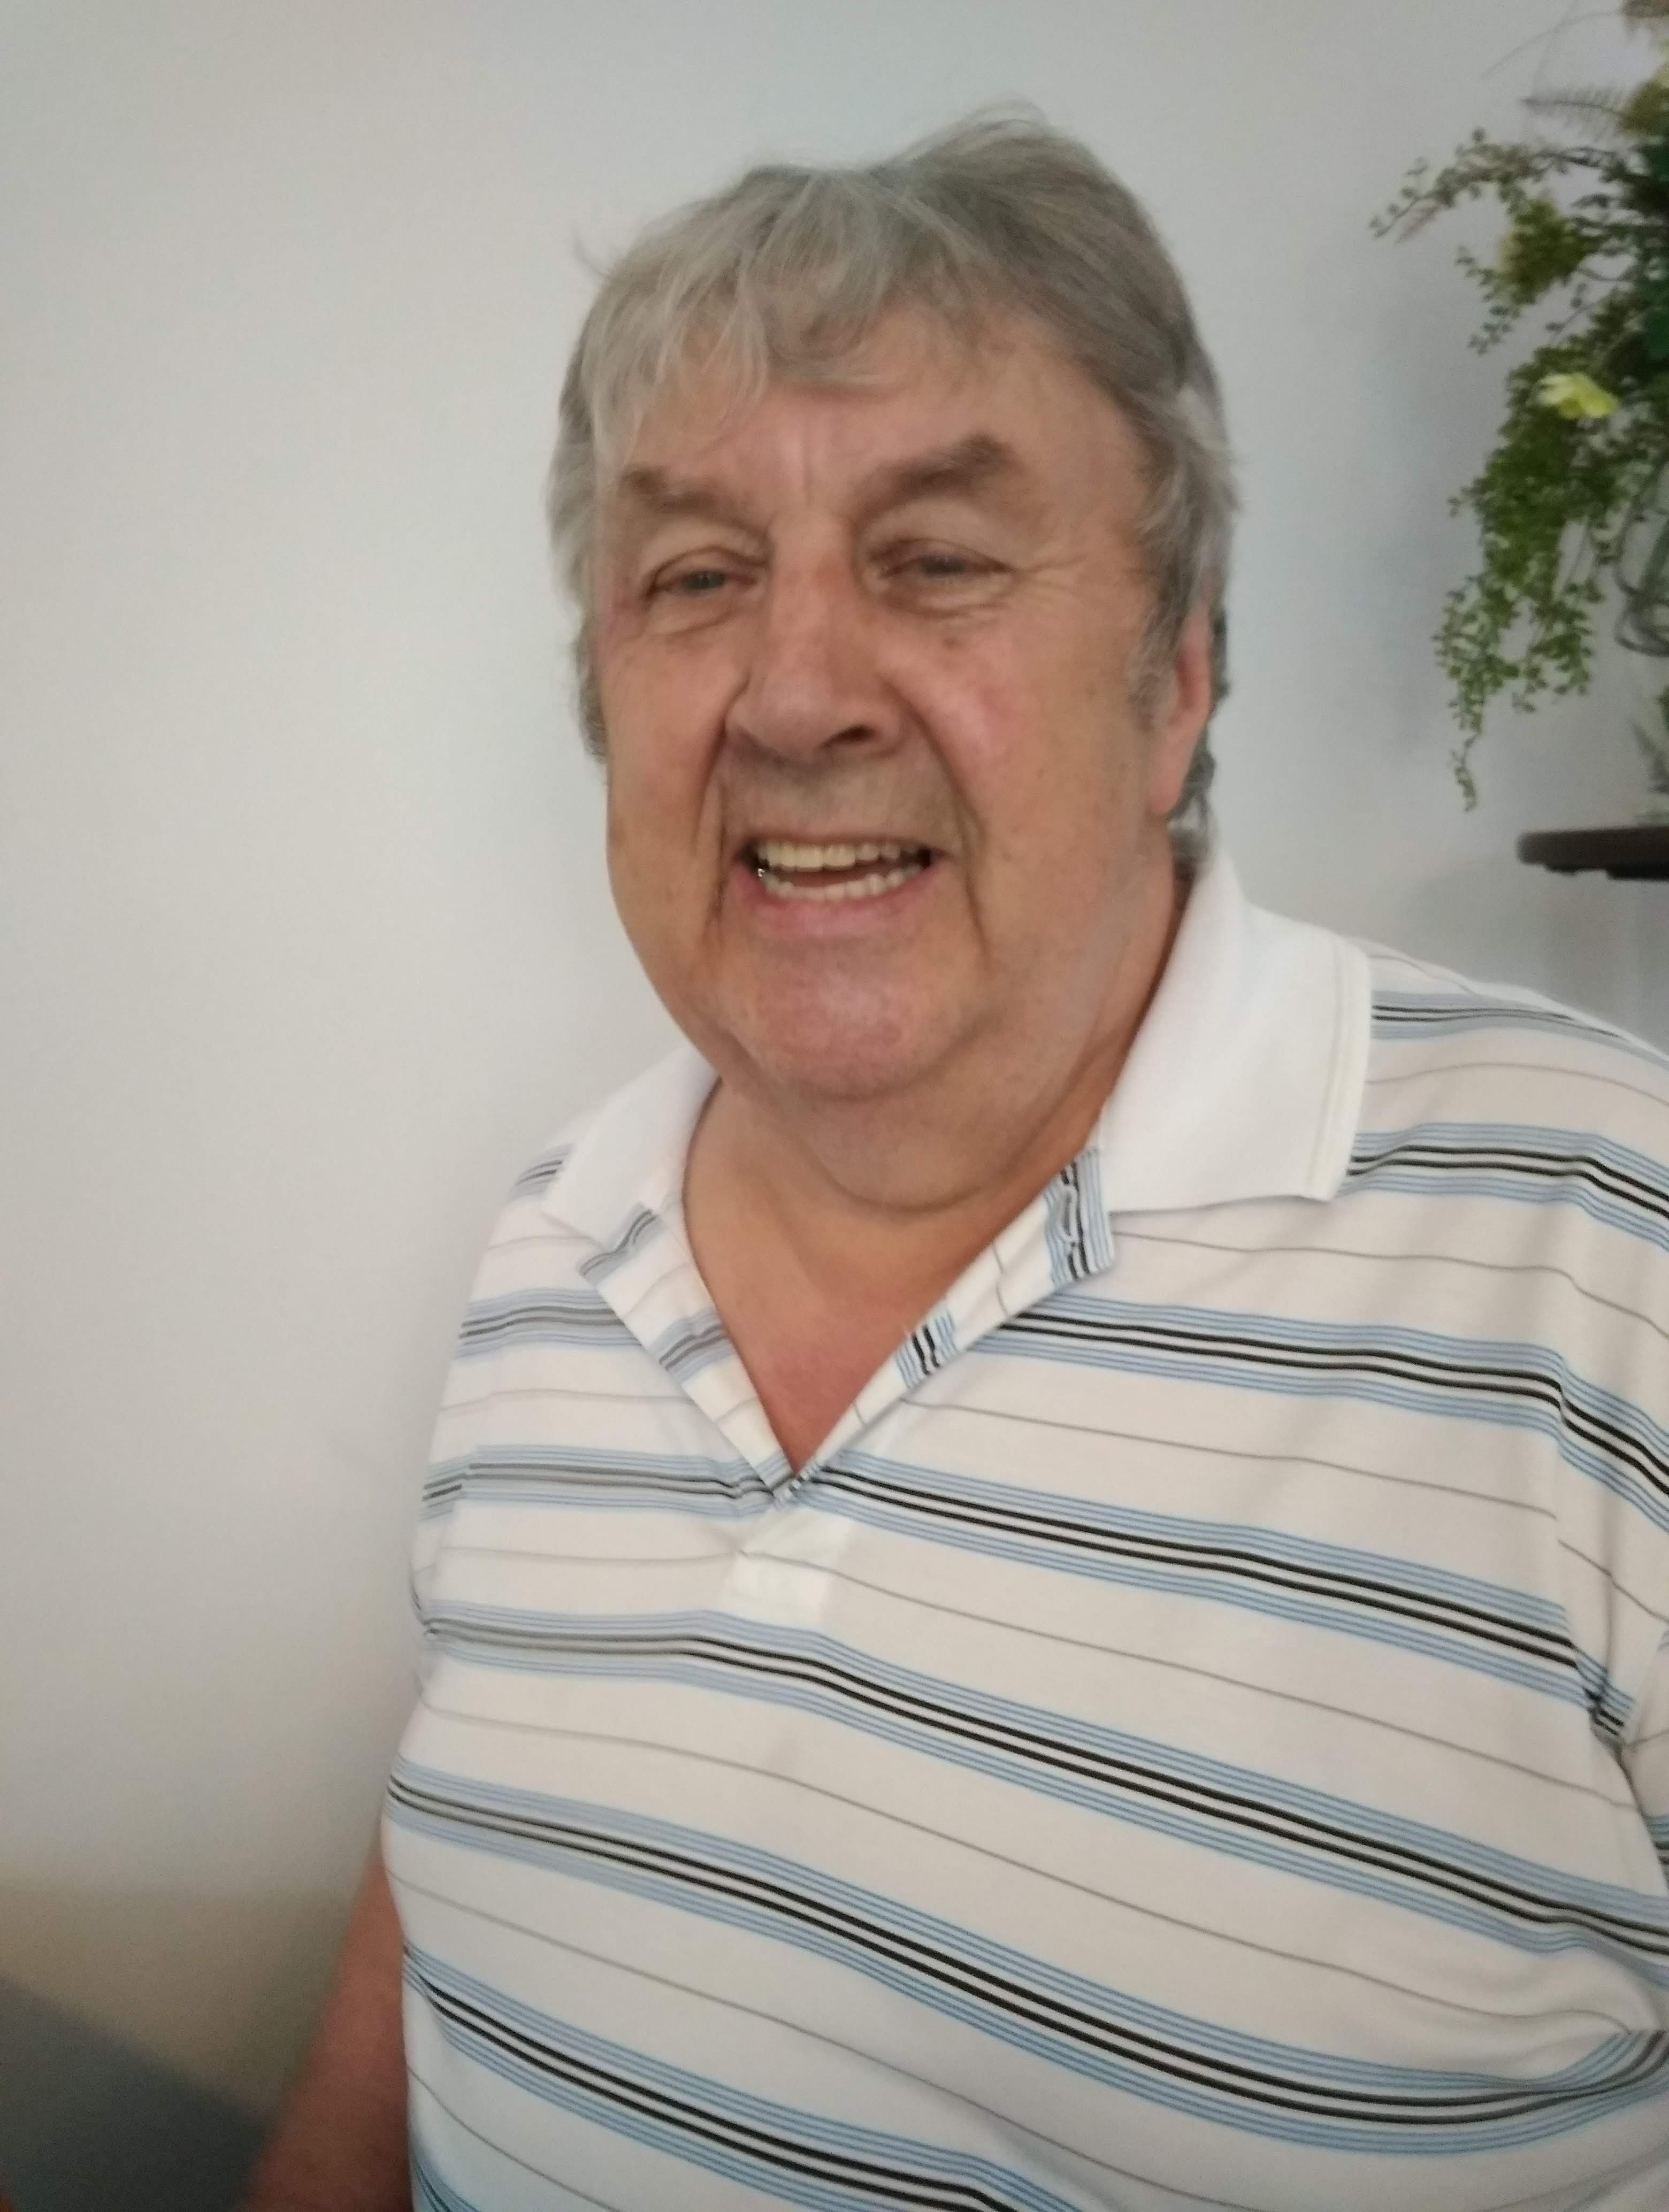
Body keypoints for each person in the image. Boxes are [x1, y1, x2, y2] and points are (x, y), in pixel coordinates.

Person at [243, 114, 1669, 2212]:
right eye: (697, 576)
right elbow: (451, 1908)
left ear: (1177, 678)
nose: (798, 693)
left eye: (936, 558)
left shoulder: (1608, 1255)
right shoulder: (560, 1234)